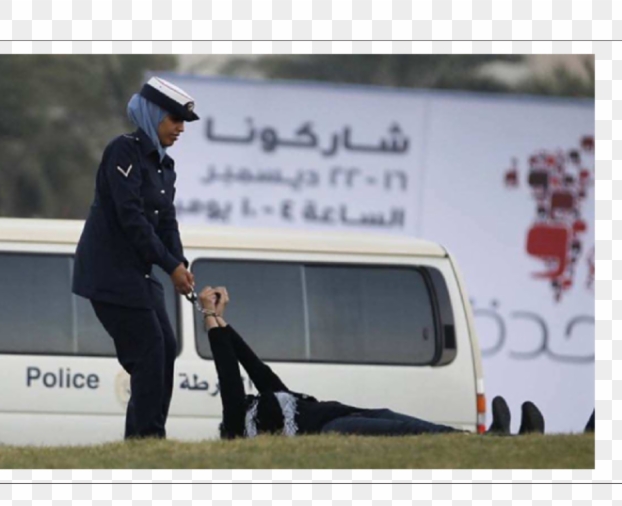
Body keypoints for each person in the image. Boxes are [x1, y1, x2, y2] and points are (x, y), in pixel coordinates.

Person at [196, 287, 546, 438]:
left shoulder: (272, 401)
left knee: (397, 419)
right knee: (410, 433)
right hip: (330, 432)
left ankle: (498, 438)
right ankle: (493, 440)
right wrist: (208, 315)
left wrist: (220, 317)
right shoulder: (241, 423)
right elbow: (227, 371)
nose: (243, 397)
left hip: (341, 414)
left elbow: (252, 365)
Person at [72, 76, 199, 439]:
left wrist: (180, 263)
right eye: (174, 120)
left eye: (183, 123)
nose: (179, 129)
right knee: (148, 353)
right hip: (109, 276)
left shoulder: (165, 166)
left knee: (166, 347)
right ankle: (147, 441)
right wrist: (170, 266)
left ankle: (150, 437)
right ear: (153, 114)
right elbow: (133, 220)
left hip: (139, 276)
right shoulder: (123, 151)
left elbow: (166, 221)